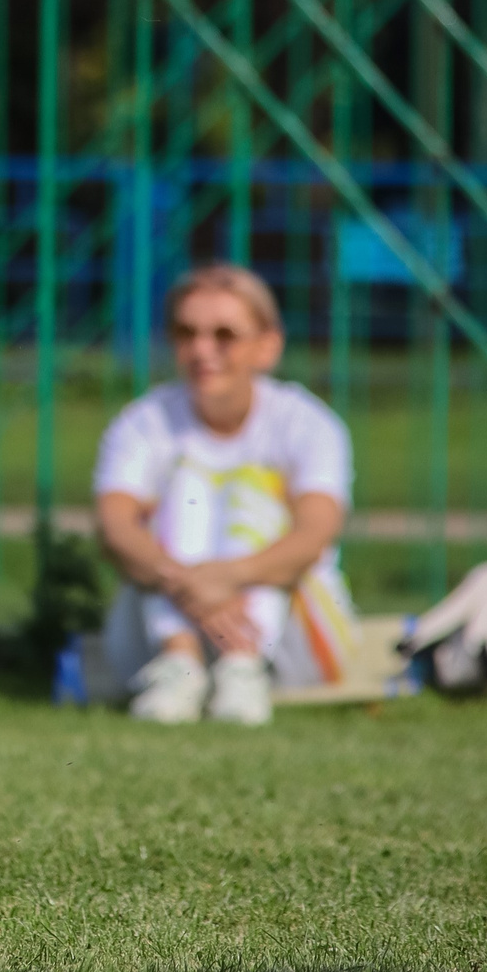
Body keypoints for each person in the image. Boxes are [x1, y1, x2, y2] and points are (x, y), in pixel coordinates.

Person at [93, 263, 356, 727]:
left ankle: (242, 662)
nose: (202, 350)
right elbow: (113, 526)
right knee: (186, 485)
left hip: (292, 644)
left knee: (253, 487)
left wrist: (228, 576)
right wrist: (191, 582)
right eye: (186, 333)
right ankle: (179, 661)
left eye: (224, 335)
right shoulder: (144, 421)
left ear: (267, 345)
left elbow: (315, 533)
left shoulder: (309, 423)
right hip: (167, 620)